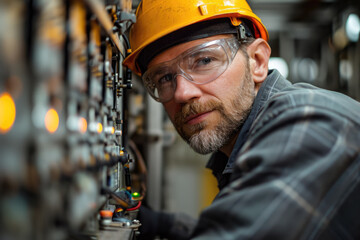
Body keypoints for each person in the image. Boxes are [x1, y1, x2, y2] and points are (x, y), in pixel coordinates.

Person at [123, 0, 360, 239]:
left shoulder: (308, 122)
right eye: (164, 78)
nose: (182, 93)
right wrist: (164, 224)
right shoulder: (240, 148)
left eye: (204, 61)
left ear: (257, 61)